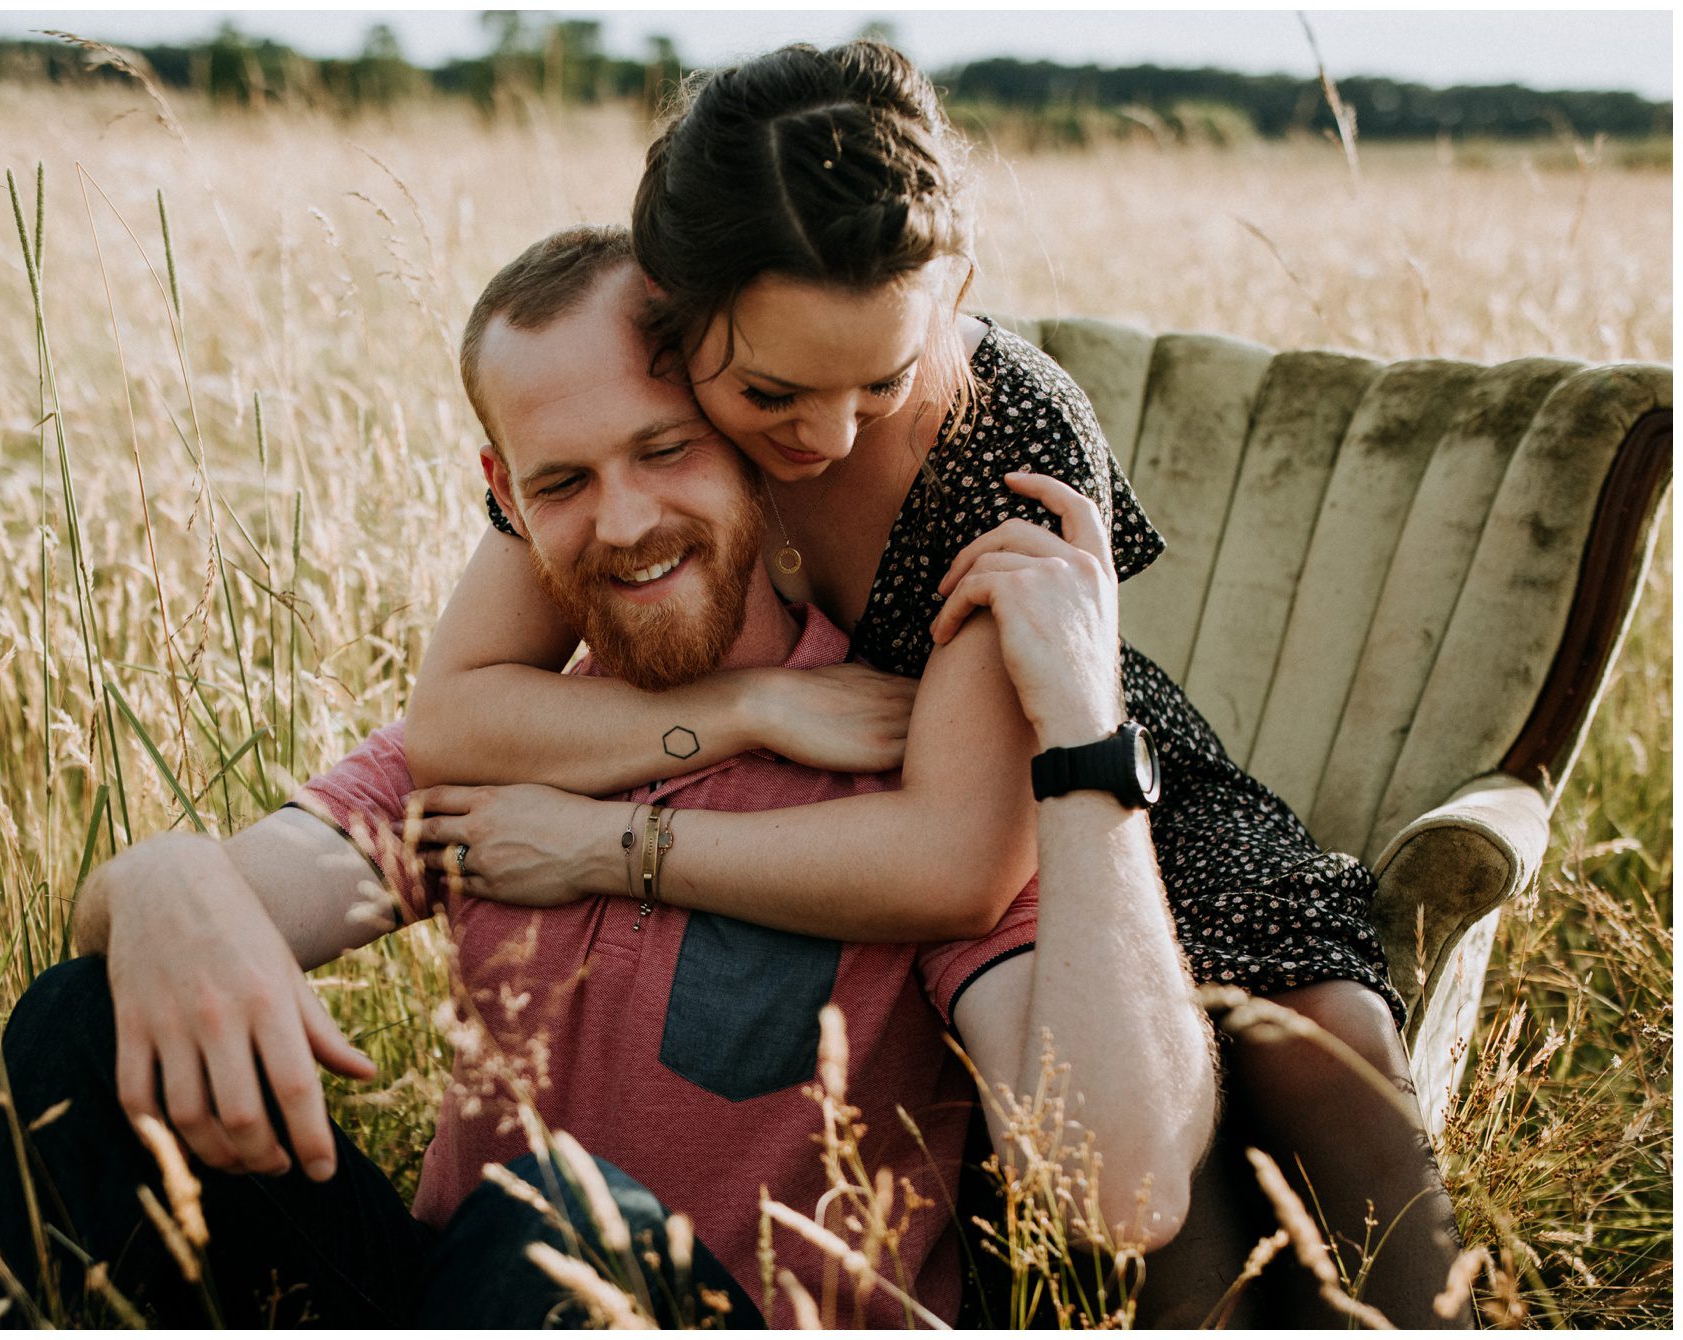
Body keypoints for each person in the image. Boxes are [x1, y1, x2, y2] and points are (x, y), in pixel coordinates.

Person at [0, 227, 1214, 1329]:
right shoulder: (507, 737)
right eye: (565, 482)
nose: (626, 522)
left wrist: (1085, 731)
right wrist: (165, 880)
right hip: (455, 1298)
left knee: (560, 1220)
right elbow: (190, 915)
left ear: (752, 439)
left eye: (662, 450)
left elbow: (1124, 1190)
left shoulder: (908, 762)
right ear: (505, 499)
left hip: (699, 1313)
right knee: (84, 1024)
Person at [401, 41, 1462, 1328]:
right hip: (848, 777)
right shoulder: (634, 403)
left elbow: (958, 858)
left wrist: (605, 844)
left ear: (950, 293)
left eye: (882, 379)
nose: (828, 435)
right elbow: (452, 713)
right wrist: (745, 707)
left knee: (1311, 1025)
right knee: (1127, 1203)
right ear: (675, 321)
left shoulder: (997, 431)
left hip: (1078, 764)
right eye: (774, 392)